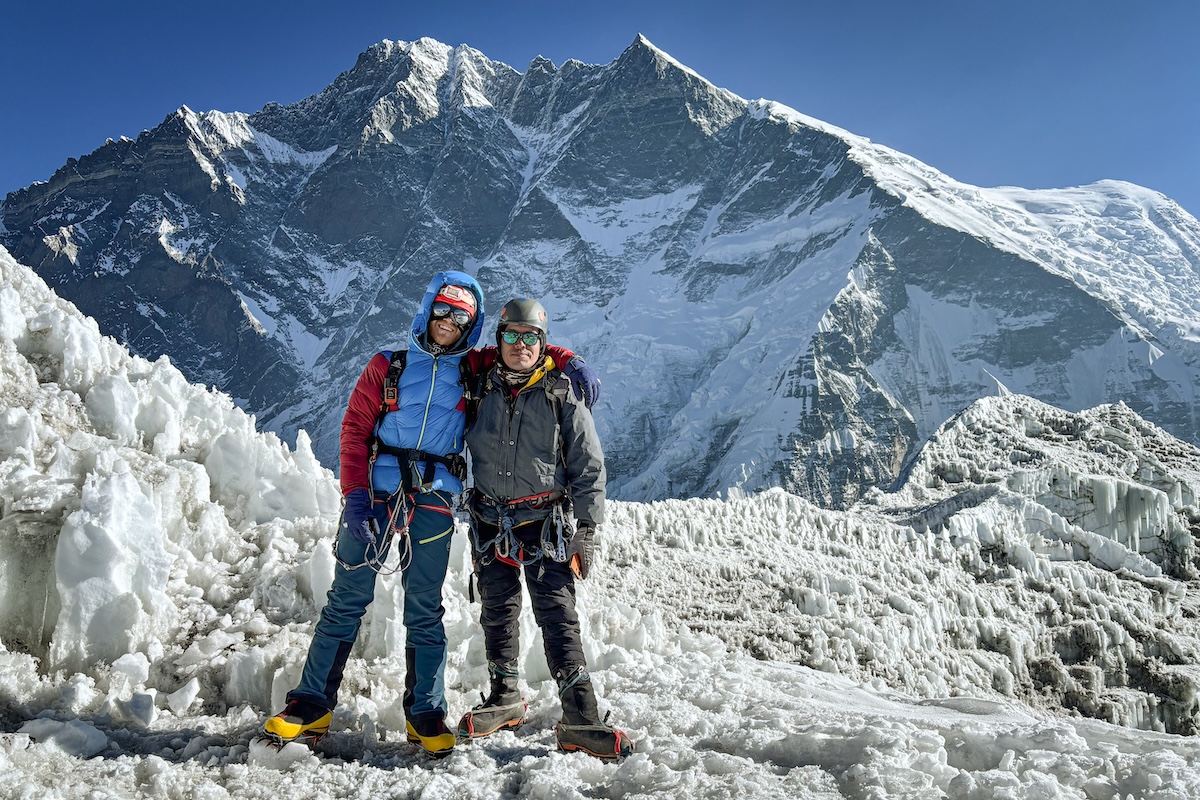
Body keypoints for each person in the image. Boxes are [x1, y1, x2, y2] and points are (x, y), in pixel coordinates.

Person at [261, 272, 598, 757]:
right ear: (427, 310)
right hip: (376, 494)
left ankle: (425, 712)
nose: (448, 322)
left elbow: (524, 344)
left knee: (424, 605)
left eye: (461, 316)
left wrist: (571, 360)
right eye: (442, 310)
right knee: (347, 598)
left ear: (472, 323)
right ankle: (310, 703)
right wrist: (354, 495)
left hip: (434, 496)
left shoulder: (473, 366)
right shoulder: (388, 365)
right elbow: (355, 430)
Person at [458, 298, 634, 760]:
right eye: (511, 336)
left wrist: (587, 528)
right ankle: (505, 696)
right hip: (489, 519)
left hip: (544, 523)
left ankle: (581, 714)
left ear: (542, 344)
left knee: (557, 615)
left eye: (530, 338)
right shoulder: (477, 385)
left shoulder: (562, 395)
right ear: (499, 342)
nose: (520, 346)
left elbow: (588, 468)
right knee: (498, 609)